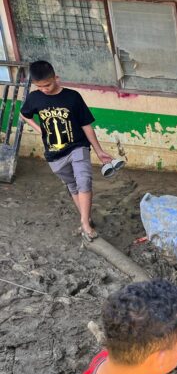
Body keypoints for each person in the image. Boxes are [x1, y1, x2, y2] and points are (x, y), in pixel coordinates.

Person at [20, 60, 114, 241]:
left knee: (84, 181)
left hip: (78, 146)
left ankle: (84, 224)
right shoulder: (34, 97)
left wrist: (99, 150)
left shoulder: (73, 97)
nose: (44, 89)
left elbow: (86, 125)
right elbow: (24, 114)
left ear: (56, 78)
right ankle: (86, 218)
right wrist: (40, 129)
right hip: (54, 154)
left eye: (47, 84)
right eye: (39, 87)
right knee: (73, 186)